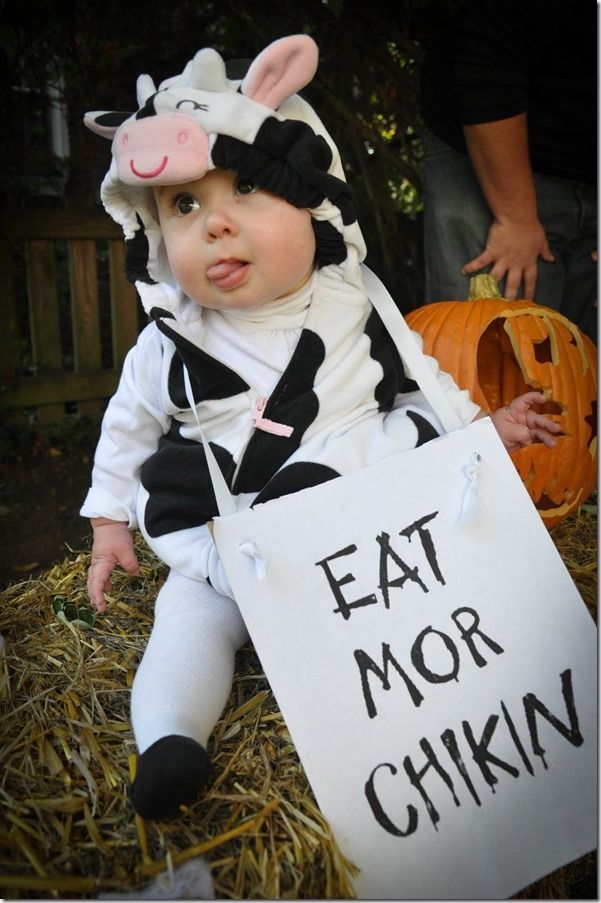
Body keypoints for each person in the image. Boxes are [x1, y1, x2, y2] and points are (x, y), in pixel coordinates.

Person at [81, 34, 560, 821]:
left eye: (246, 192)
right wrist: (107, 518)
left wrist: (484, 431)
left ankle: (401, 698)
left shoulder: (353, 303)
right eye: (184, 206)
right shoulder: (169, 339)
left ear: (313, 198)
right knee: (190, 614)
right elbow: (126, 429)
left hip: (357, 520)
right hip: (235, 537)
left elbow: (425, 379)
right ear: (153, 230)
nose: (215, 226)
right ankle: (170, 737)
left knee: (410, 536)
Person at [420, 0, 597, 343]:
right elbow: (488, 66)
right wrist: (515, 218)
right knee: (485, 341)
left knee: (581, 358)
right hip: (491, 136)